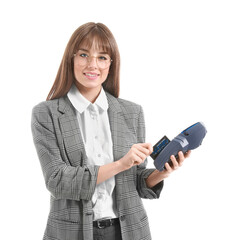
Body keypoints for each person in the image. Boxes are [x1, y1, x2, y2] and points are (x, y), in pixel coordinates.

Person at [31, 22, 191, 240]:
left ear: (111, 64)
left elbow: (134, 181)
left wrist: (161, 172)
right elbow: (57, 181)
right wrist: (120, 164)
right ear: (71, 58)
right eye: (84, 55)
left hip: (129, 231)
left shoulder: (131, 112)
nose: (93, 65)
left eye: (102, 57)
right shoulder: (46, 113)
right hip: (72, 233)